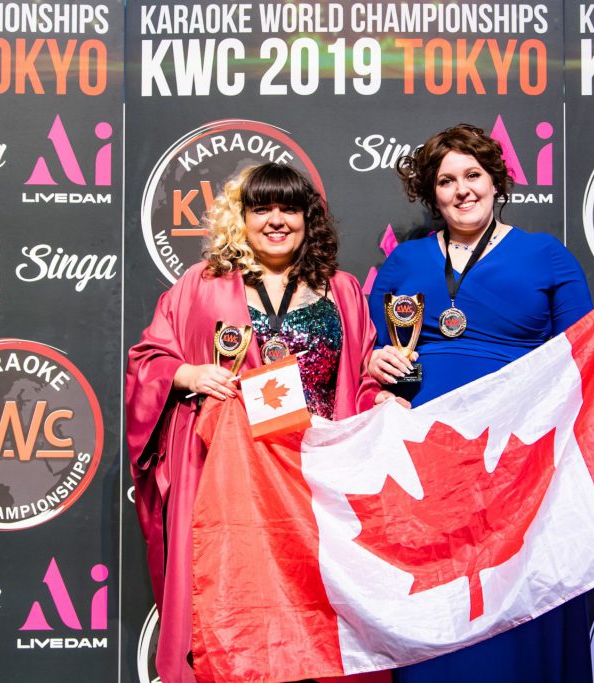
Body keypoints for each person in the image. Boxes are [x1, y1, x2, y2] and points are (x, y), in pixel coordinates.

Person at [366, 124, 594, 682]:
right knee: (436, 601)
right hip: (424, 461)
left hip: (516, 458)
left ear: (495, 181)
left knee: (515, 595)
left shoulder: (545, 256)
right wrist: (373, 363)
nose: (461, 190)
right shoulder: (403, 262)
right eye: (446, 180)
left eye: (472, 175)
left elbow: (586, 351)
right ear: (431, 194)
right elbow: (369, 347)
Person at [126, 163, 394, 683]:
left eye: (289, 208)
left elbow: (357, 377)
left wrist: (379, 399)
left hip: (315, 482)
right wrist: (189, 372)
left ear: (307, 218)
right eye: (261, 208)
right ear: (241, 218)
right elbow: (147, 361)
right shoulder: (201, 287)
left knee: (316, 611)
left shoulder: (342, 290)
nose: (276, 220)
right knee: (238, 602)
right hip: (231, 485)